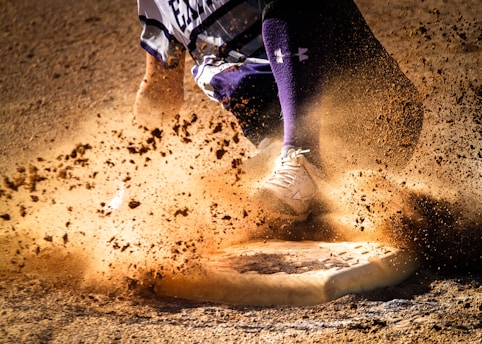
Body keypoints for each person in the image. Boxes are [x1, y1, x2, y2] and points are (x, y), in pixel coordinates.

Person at [134, 0, 340, 221]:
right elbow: (160, 88)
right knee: (196, 201)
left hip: (337, 100)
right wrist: (134, 180)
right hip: (274, 146)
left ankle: (304, 157)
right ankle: (300, 176)